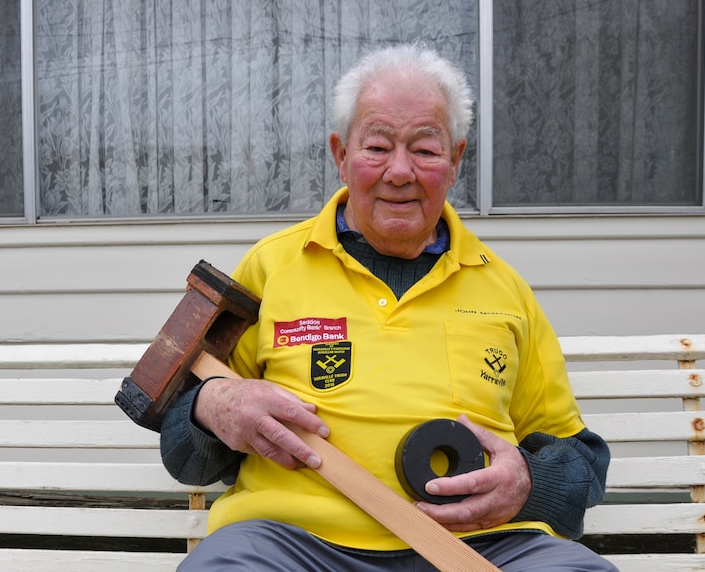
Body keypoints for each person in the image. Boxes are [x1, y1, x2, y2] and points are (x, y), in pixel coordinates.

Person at [160, 43, 618, 572]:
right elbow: (183, 451)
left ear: (456, 159)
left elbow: (581, 460)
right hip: (294, 545)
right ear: (340, 155)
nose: (400, 171)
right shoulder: (270, 269)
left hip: (479, 545)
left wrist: (529, 485)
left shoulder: (504, 289)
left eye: (424, 149)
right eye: (377, 147)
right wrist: (212, 407)